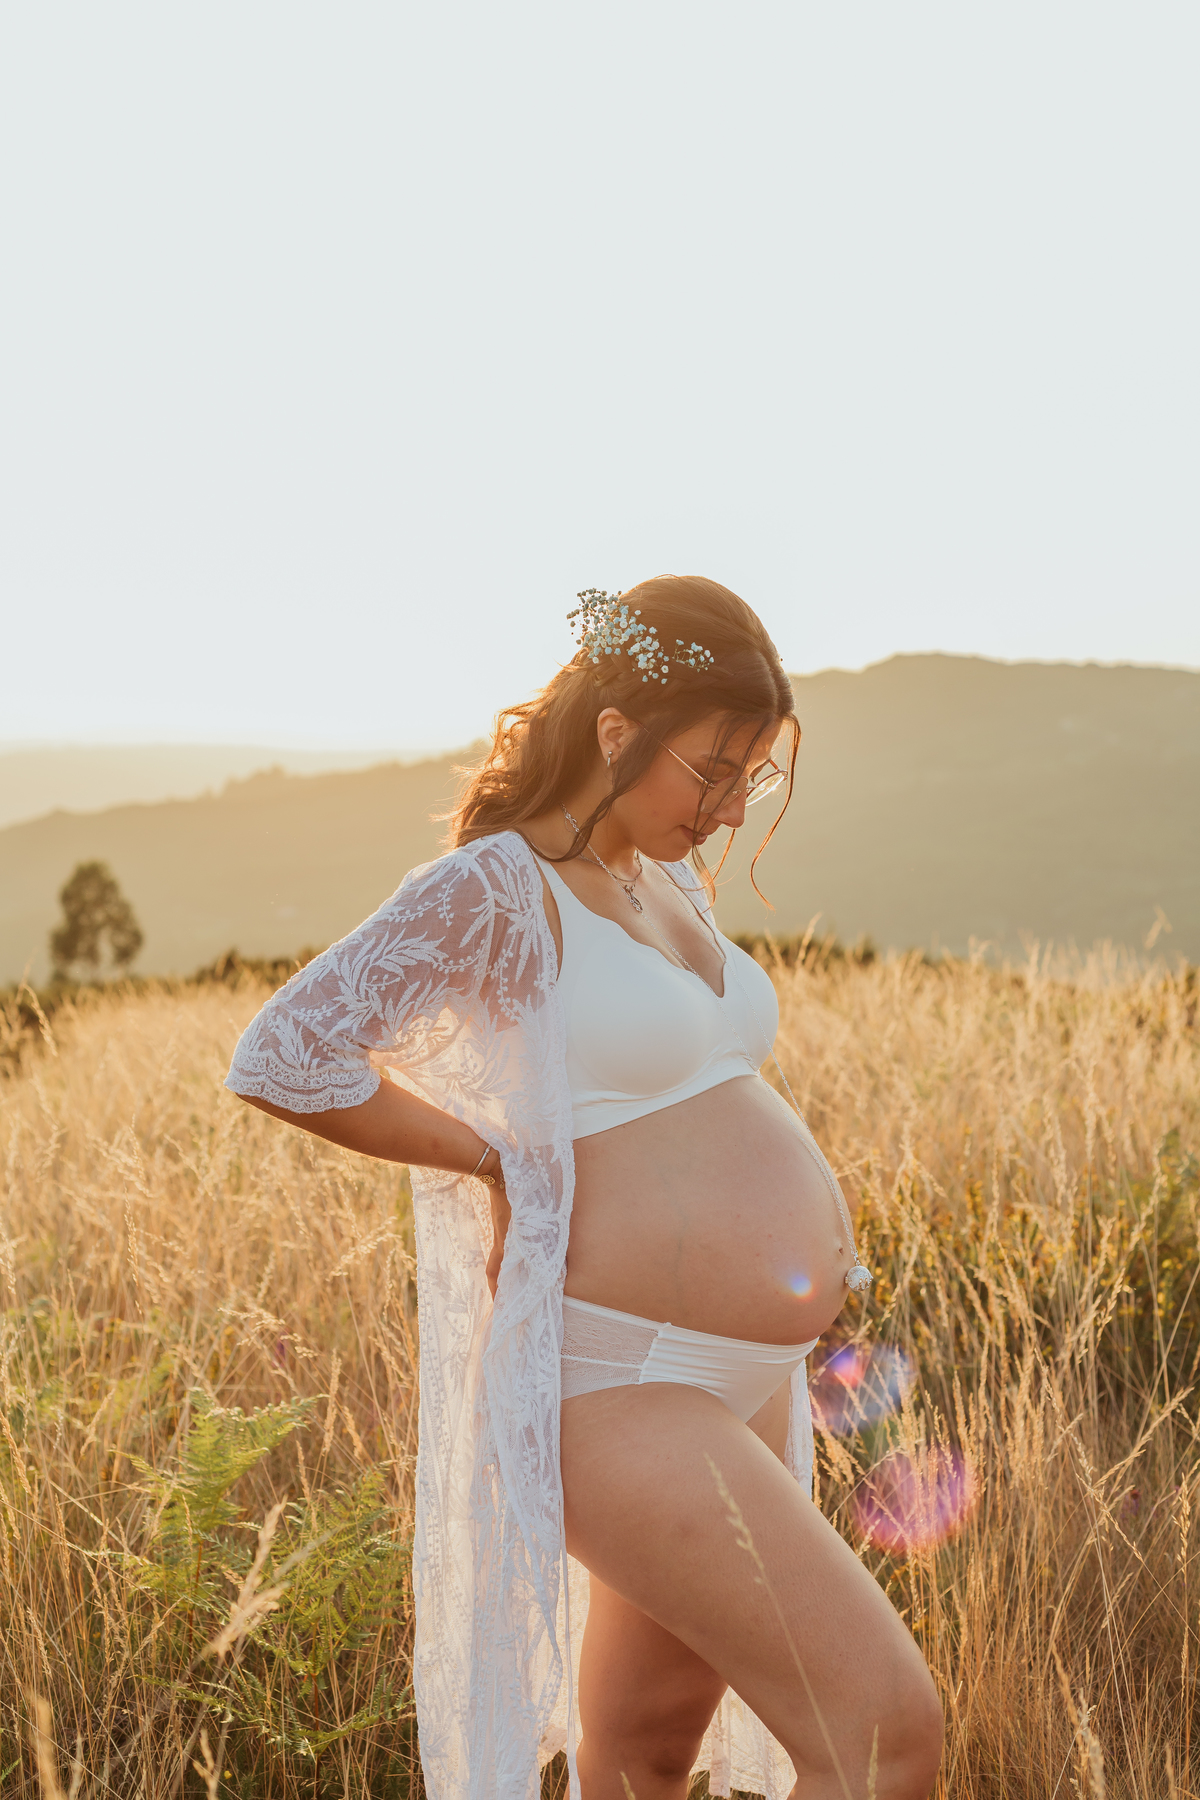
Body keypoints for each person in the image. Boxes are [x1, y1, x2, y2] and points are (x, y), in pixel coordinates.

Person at [224, 574, 943, 1800]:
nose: (725, 810)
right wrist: (493, 1153)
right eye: (709, 770)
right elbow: (283, 1054)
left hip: (742, 1384)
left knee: (641, 1756)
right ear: (617, 730)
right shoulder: (492, 889)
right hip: (619, 1381)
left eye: (750, 778)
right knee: (885, 1737)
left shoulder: (667, 878)